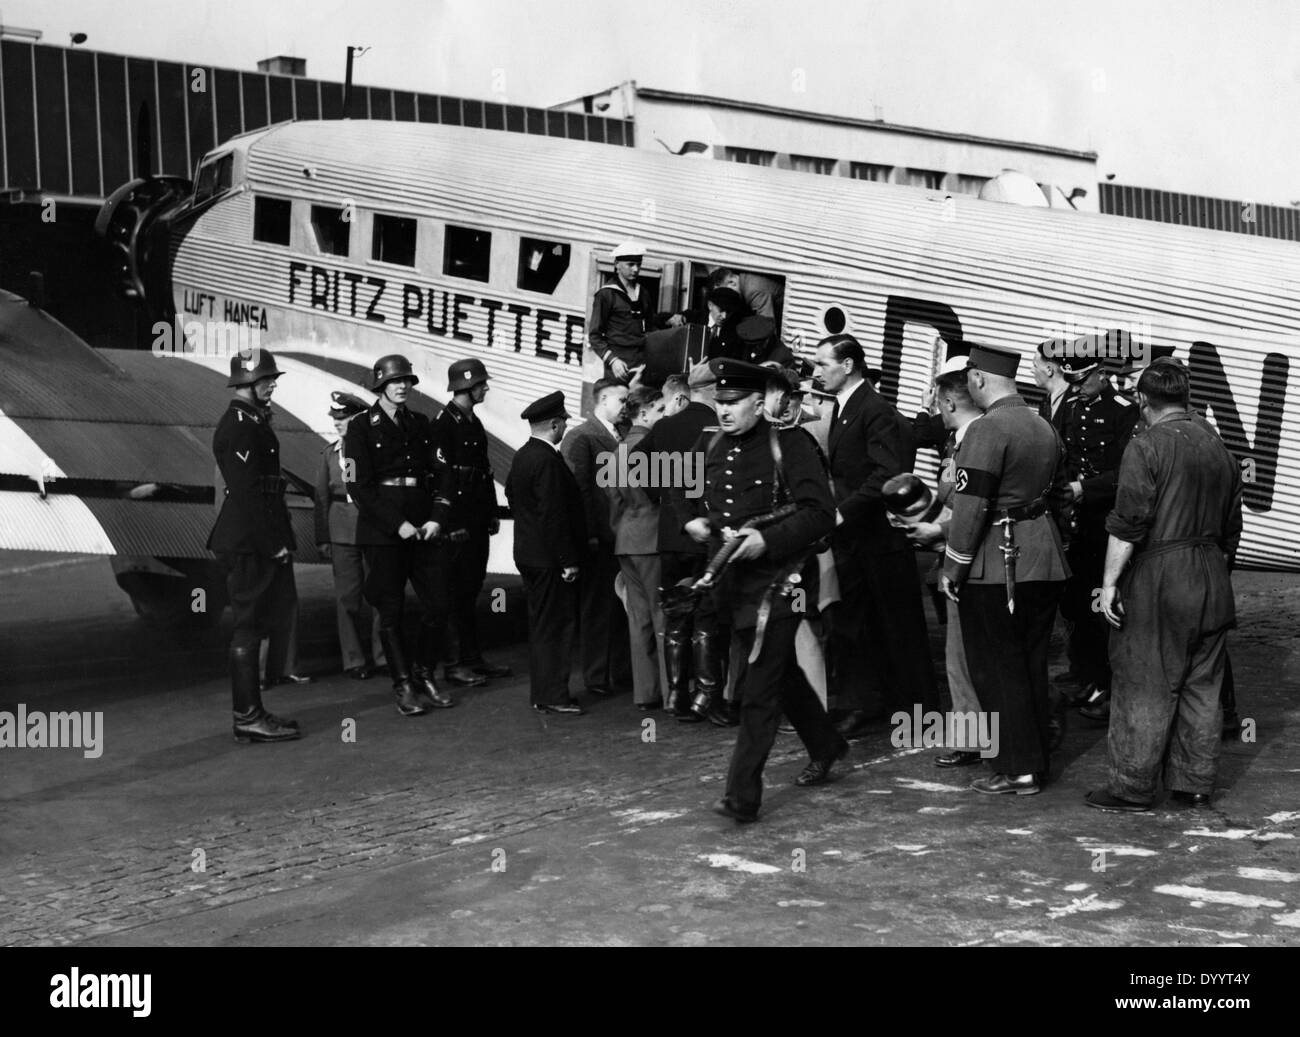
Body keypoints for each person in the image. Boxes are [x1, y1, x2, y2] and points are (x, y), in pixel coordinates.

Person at [685, 358, 848, 824]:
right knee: (778, 672)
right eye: (720, 401)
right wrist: (692, 521)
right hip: (732, 585)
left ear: (760, 402)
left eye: (734, 402)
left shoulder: (791, 445)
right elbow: (685, 493)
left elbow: (820, 513)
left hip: (784, 579)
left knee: (758, 686)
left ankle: (742, 796)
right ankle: (827, 742)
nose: (725, 410)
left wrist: (767, 540)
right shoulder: (709, 443)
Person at [1086, 360, 1242, 812]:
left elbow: (1129, 522)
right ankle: (1194, 784)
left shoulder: (1146, 446)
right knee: (1202, 686)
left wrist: (1110, 583)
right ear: (1186, 398)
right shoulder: (1220, 449)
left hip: (1161, 577)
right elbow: (1232, 528)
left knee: (1144, 680)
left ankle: (1130, 788)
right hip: (1212, 576)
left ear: (1142, 400)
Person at [940, 343, 1071, 796]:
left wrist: (953, 568)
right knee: (1030, 663)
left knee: (997, 669)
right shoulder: (1042, 426)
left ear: (977, 380)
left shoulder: (987, 430)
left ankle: (1016, 767)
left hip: (998, 564)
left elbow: (971, 507)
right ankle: (1034, 761)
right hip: (1044, 559)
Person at [815, 333, 938, 738]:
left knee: (898, 625)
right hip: (858, 537)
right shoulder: (848, 407)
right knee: (857, 623)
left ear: (848, 365)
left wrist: (841, 512)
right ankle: (867, 703)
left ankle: (918, 713)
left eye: (823, 364)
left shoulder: (873, 409)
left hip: (879, 539)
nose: (818, 372)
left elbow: (886, 472)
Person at [343, 354, 456, 717]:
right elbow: (357, 486)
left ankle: (424, 673)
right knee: (390, 611)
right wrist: (397, 524)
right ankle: (403, 684)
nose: (403, 385)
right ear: (381, 385)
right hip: (384, 533)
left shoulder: (422, 424)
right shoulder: (361, 427)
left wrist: (438, 517)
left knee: (439, 604)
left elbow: (442, 473)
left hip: (424, 528)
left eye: (407, 380)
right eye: (395, 381)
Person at [208, 348, 301, 743]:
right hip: (249, 542)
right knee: (248, 626)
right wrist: (273, 544)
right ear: (247, 383)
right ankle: (247, 716)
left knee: (258, 622)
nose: (273, 384)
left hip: (252, 538)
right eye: (266, 380)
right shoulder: (241, 425)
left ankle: (253, 712)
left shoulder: (250, 420)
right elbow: (247, 493)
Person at [630, 362, 731, 724]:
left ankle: (677, 694)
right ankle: (708, 696)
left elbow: (635, 461)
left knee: (676, 614)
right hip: (709, 535)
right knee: (707, 618)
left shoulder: (667, 425)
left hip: (672, 533)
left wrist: (661, 493)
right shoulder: (721, 428)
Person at [899, 369, 985, 767]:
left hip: (968, 559)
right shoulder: (962, 440)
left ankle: (972, 738)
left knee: (963, 655)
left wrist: (936, 530)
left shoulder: (977, 442)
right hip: (958, 553)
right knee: (965, 652)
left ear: (949, 402)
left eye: (938, 401)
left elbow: (977, 510)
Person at [1057, 354, 1140, 723]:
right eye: (1071, 381)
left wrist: (1083, 488)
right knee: (1077, 605)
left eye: (1082, 380)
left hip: (1108, 523)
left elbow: (1127, 472)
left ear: (1103, 375)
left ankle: (1113, 689)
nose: (1075, 387)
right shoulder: (1073, 408)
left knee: (1106, 610)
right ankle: (1090, 679)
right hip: (1079, 522)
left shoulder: (1124, 411)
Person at [505, 392, 587, 715]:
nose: (566, 425)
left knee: (541, 626)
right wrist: (568, 560)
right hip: (551, 560)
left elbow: (513, 495)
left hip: (528, 554)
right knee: (556, 627)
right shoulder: (548, 462)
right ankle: (554, 695)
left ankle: (543, 693)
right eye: (564, 420)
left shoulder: (523, 456)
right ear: (554, 424)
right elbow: (554, 516)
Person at [433, 358, 511, 685]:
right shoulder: (444, 423)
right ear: (466, 385)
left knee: (471, 590)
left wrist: (491, 512)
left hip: (477, 520)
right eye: (481, 384)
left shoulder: (472, 422)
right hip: (457, 523)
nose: (486, 388)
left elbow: (483, 472)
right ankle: (454, 664)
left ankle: (472, 658)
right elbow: (441, 479)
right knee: (454, 593)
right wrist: (450, 525)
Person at [560, 378, 634, 698]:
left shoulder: (625, 435)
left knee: (618, 606)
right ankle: (595, 675)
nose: (626, 407)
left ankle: (618, 670)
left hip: (621, 535)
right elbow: (579, 493)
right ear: (602, 400)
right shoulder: (582, 437)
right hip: (599, 537)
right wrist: (588, 534)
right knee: (597, 607)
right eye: (621, 400)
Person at [314, 390, 385, 680]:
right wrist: (322, 537)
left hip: (373, 527)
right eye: (336, 418)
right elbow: (321, 497)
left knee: (381, 594)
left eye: (344, 418)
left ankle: (383, 657)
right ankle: (354, 660)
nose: (338, 423)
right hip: (342, 531)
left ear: (358, 419)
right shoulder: (330, 454)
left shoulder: (375, 451)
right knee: (347, 598)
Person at [609, 385, 669, 711]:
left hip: (626, 540)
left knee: (638, 619)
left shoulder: (617, 450)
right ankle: (671, 693)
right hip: (652, 539)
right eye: (660, 410)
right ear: (644, 412)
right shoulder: (654, 449)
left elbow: (613, 503)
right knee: (662, 617)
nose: (665, 415)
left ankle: (646, 693)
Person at [587, 240, 673, 382]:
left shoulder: (643, 293)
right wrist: (613, 361)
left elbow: (650, 326)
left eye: (638, 264)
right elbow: (594, 336)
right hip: (618, 364)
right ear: (617, 264)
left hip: (642, 362)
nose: (636, 269)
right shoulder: (607, 294)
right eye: (630, 264)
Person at [708, 267, 783, 322]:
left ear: (732, 282)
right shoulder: (744, 278)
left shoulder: (753, 291)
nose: (726, 299)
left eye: (724, 293)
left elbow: (767, 326)